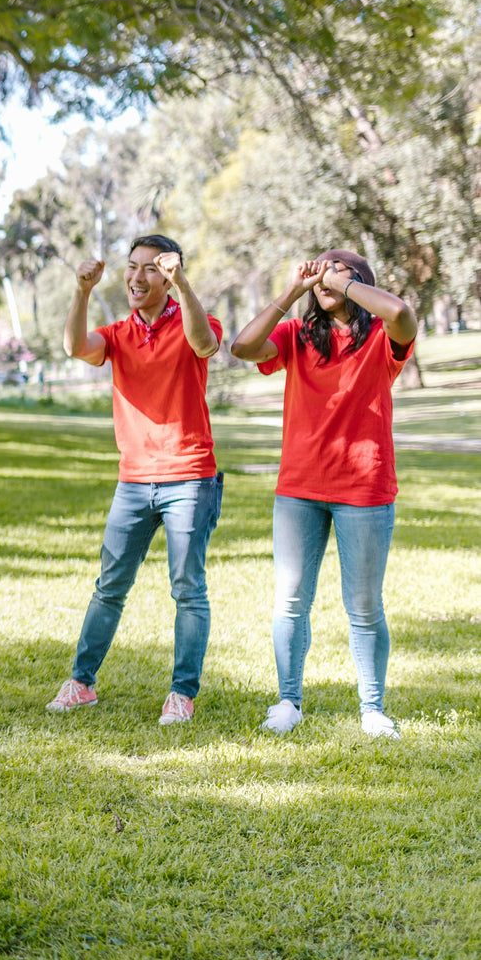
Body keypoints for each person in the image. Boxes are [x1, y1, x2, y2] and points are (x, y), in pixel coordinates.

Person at [229, 250, 417, 739]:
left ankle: (373, 709)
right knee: (290, 600)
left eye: (337, 270)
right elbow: (242, 347)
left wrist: (342, 281)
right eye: (318, 270)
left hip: (365, 487)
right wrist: (292, 291)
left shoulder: (380, 337)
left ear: (360, 282)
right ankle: (288, 701)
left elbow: (399, 314)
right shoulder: (295, 336)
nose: (324, 277)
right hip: (300, 489)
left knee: (363, 606)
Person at [45, 235, 224, 725]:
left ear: (168, 277)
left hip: (189, 476)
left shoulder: (197, 318)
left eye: (150, 269)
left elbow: (204, 343)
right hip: (134, 480)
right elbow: (75, 346)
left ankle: (182, 694)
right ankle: (82, 684)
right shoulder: (120, 333)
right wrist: (82, 291)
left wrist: (182, 283)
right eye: (131, 268)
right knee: (109, 586)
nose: (137, 278)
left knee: (187, 589)